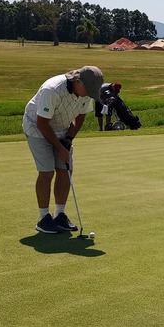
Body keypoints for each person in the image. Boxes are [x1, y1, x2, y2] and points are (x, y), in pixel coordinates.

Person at [23, 66, 104, 233]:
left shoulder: (85, 92)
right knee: (47, 172)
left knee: (65, 170)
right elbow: (42, 124)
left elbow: (80, 116)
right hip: (37, 128)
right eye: (88, 90)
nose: (89, 94)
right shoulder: (52, 90)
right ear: (77, 82)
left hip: (62, 129)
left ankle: (60, 215)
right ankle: (43, 218)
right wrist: (59, 147)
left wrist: (68, 140)